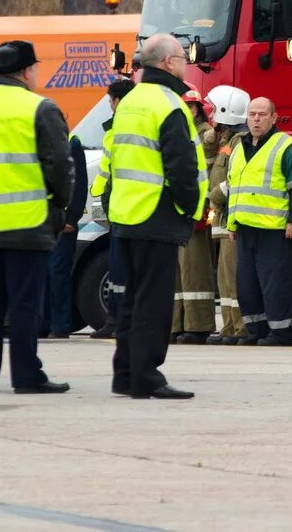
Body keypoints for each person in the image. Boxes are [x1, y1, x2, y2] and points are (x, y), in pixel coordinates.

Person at [0, 40, 73, 394]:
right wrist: (59, 207)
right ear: (26, 71)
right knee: (24, 304)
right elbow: (59, 167)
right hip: (28, 221)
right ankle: (26, 375)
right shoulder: (40, 108)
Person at [106, 34, 205, 398]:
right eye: (182, 56)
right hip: (157, 213)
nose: (186, 63)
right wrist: (188, 207)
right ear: (166, 63)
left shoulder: (130, 102)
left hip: (127, 213)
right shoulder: (168, 105)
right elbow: (181, 165)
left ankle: (125, 373)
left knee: (131, 299)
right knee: (154, 301)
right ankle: (147, 375)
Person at [228, 96, 292, 347]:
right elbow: (235, 187)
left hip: (274, 229)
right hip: (244, 227)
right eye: (252, 114)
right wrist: (231, 224)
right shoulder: (239, 147)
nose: (256, 119)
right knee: (247, 285)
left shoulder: (287, 147)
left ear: (274, 118)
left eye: (262, 114)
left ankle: (281, 332)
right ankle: (257, 330)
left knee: (276, 283)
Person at [88, 77, 136, 339]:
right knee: (117, 269)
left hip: (127, 207)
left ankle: (120, 320)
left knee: (123, 268)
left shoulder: (124, 130)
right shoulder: (115, 130)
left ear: (119, 101)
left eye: (111, 100)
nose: (109, 104)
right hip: (118, 207)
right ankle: (115, 319)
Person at [205, 84, 251, 344]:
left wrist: (215, 196)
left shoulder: (239, 144)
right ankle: (230, 327)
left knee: (234, 278)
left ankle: (240, 328)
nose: (209, 116)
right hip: (223, 221)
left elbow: (234, 180)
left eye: (213, 111)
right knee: (224, 280)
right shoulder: (226, 142)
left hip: (232, 218)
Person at [172, 86, 218, 344]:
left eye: (192, 107)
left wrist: (204, 207)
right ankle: (177, 323)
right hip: (180, 211)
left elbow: (208, 174)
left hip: (198, 210)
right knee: (178, 272)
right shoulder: (181, 133)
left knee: (195, 269)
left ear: (199, 109)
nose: (188, 111)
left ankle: (198, 325)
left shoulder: (206, 135)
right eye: (185, 107)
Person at [43, 132, 88, 338]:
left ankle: (60, 324)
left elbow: (79, 184)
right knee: (41, 274)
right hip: (41, 220)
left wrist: (72, 218)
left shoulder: (72, 142)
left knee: (58, 273)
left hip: (62, 221)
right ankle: (42, 324)